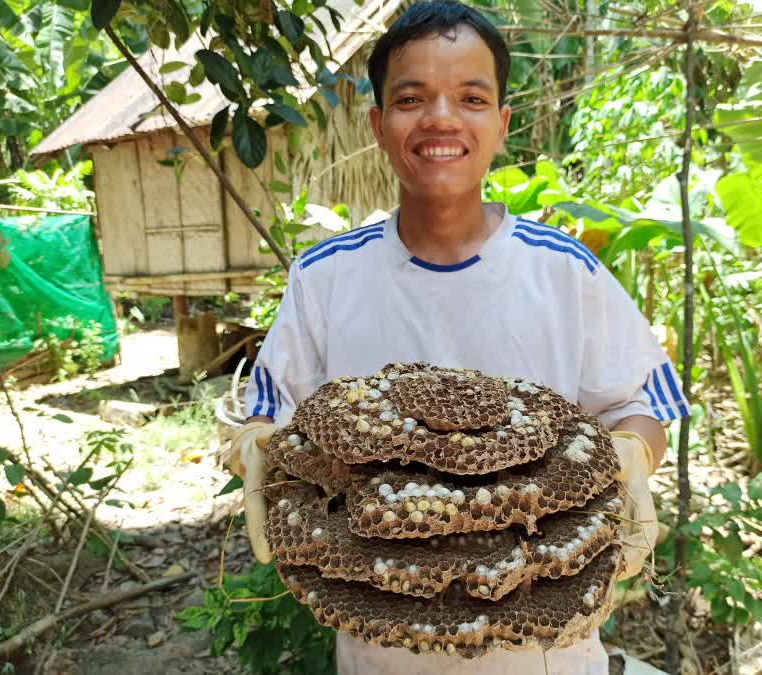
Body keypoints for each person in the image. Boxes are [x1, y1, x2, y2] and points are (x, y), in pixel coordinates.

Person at [230, 2, 689, 673]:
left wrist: (630, 452)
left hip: (546, 649)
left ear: (502, 124)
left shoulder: (565, 271)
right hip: (382, 644)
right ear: (379, 125)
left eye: (470, 98)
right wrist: (253, 445)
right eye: (412, 98)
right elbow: (269, 417)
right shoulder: (326, 277)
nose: (441, 118)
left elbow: (643, 402)